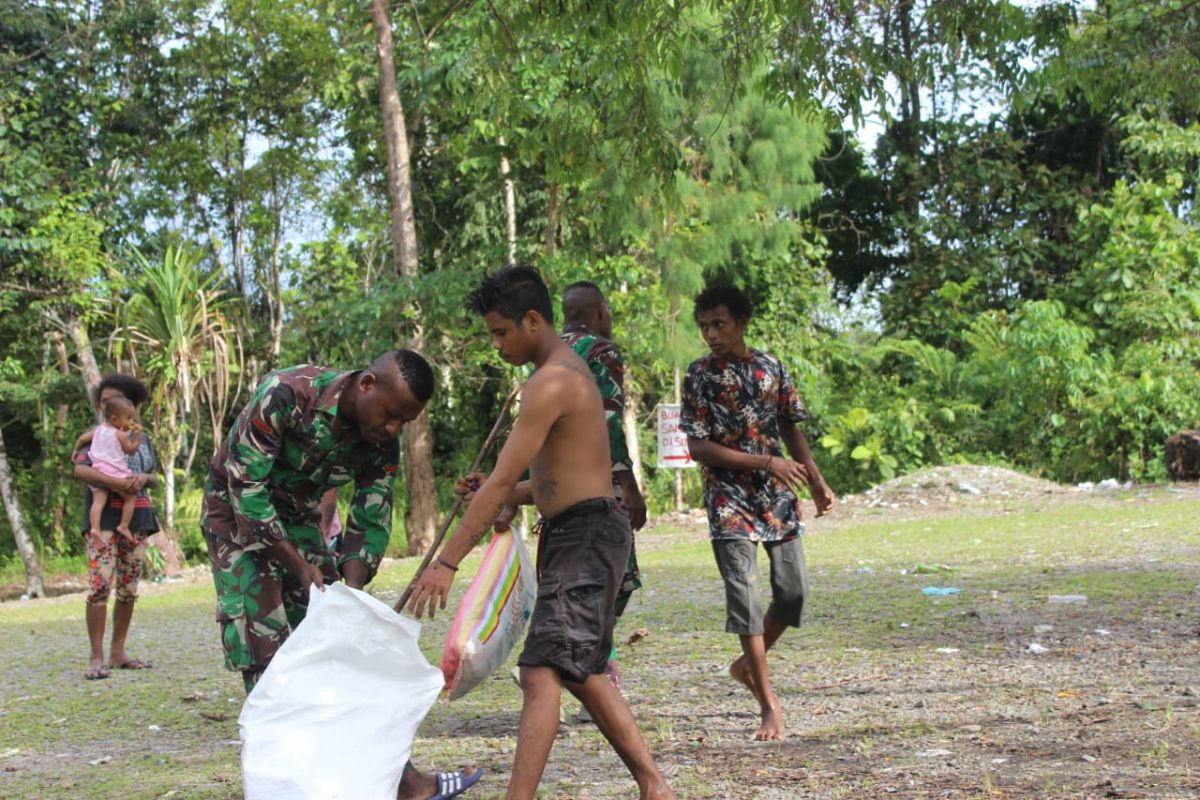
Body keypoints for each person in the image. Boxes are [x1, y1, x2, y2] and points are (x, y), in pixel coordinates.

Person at [407, 266, 676, 800]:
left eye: (501, 332)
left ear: (534, 321)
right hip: (580, 530)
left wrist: (446, 561)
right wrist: (503, 495)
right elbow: (551, 483)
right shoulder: (560, 375)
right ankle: (654, 785)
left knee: (540, 671)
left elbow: (506, 478)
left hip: (588, 536)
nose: (497, 344)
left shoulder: (552, 380)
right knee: (582, 669)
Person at [200, 350, 481, 800]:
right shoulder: (287, 394)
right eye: (390, 415)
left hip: (298, 521)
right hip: (234, 520)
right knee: (266, 647)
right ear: (367, 383)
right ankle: (287, 785)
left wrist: (349, 595)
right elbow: (247, 491)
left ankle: (400, 782)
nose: (392, 429)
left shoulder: (379, 440)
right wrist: (296, 565)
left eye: (402, 423)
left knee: (342, 644)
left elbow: (371, 515)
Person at [679, 281, 836, 742]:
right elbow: (697, 445)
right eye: (704, 326)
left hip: (777, 495)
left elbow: (788, 424)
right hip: (727, 500)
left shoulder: (771, 367)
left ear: (742, 322)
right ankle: (769, 706)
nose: (710, 334)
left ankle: (747, 666)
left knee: (794, 593)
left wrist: (817, 478)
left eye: (719, 324)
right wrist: (765, 461)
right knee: (745, 601)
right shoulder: (698, 376)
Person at [559, 280, 646, 686]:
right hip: (597, 479)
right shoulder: (600, 350)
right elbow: (608, 419)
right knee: (617, 573)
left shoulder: (549, 352)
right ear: (597, 312)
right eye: (608, 311)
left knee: (574, 572)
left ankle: (589, 658)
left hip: (557, 482)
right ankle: (596, 662)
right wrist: (627, 483)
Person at [72, 373, 161, 680]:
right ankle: (97, 656)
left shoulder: (140, 436)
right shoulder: (97, 433)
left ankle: (118, 651)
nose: (103, 404)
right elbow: (81, 470)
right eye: (102, 400)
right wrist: (119, 484)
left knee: (129, 588)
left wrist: (141, 480)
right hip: (103, 519)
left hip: (136, 517)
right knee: (99, 586)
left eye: (111, 399)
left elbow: (153, 475)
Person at [75, 395, 144, 546]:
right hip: (115, 472)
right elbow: (131, 451)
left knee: (98, 501)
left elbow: (81, 440)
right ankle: (124, 525)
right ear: (114, 419)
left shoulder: (99, 430)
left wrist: (75, 452)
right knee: (131, 497)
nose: (131, 422)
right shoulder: (120, 434)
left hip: (98, 470)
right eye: (128, 418)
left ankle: (94, 528)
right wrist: (138, 438)